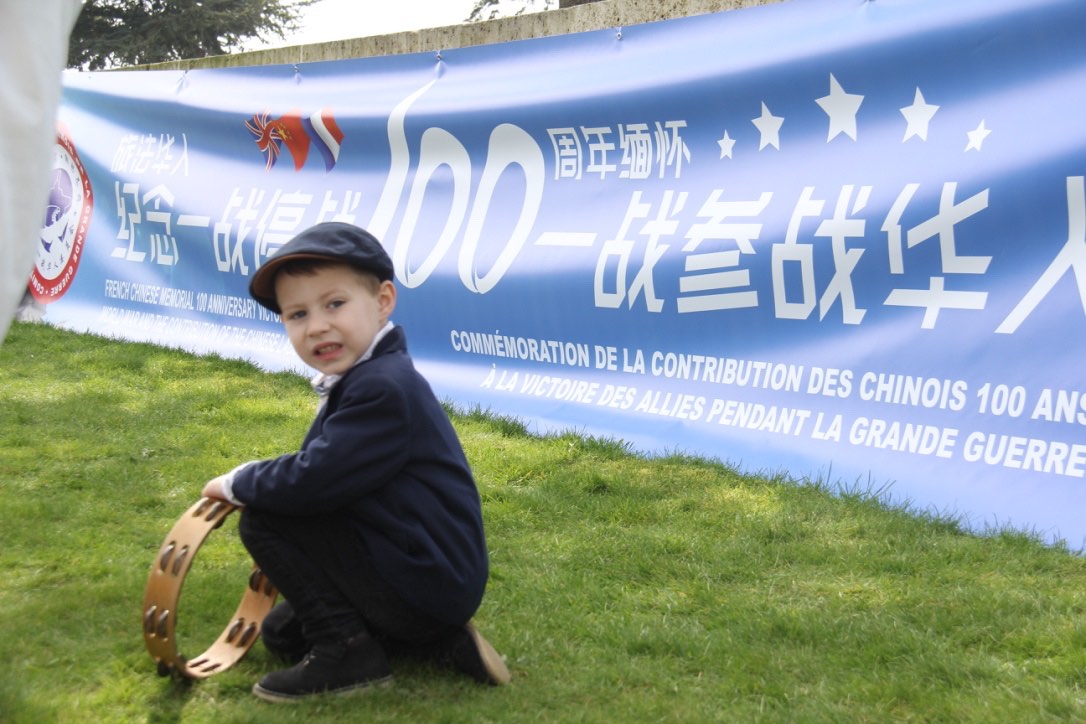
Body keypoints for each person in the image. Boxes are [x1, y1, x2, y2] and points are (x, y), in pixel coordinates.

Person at [202, 221, 509, 703]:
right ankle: (431, 641)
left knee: (267, 518)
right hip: (422, 570)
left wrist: (241, 481)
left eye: (335, 304)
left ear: (383, 301)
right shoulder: (369, 377)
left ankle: (351, 655)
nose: (316, 326)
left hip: (428, 578)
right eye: (297, 314)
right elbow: (327, 471)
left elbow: (315, 480)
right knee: (282, 635)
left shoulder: (382, 388)